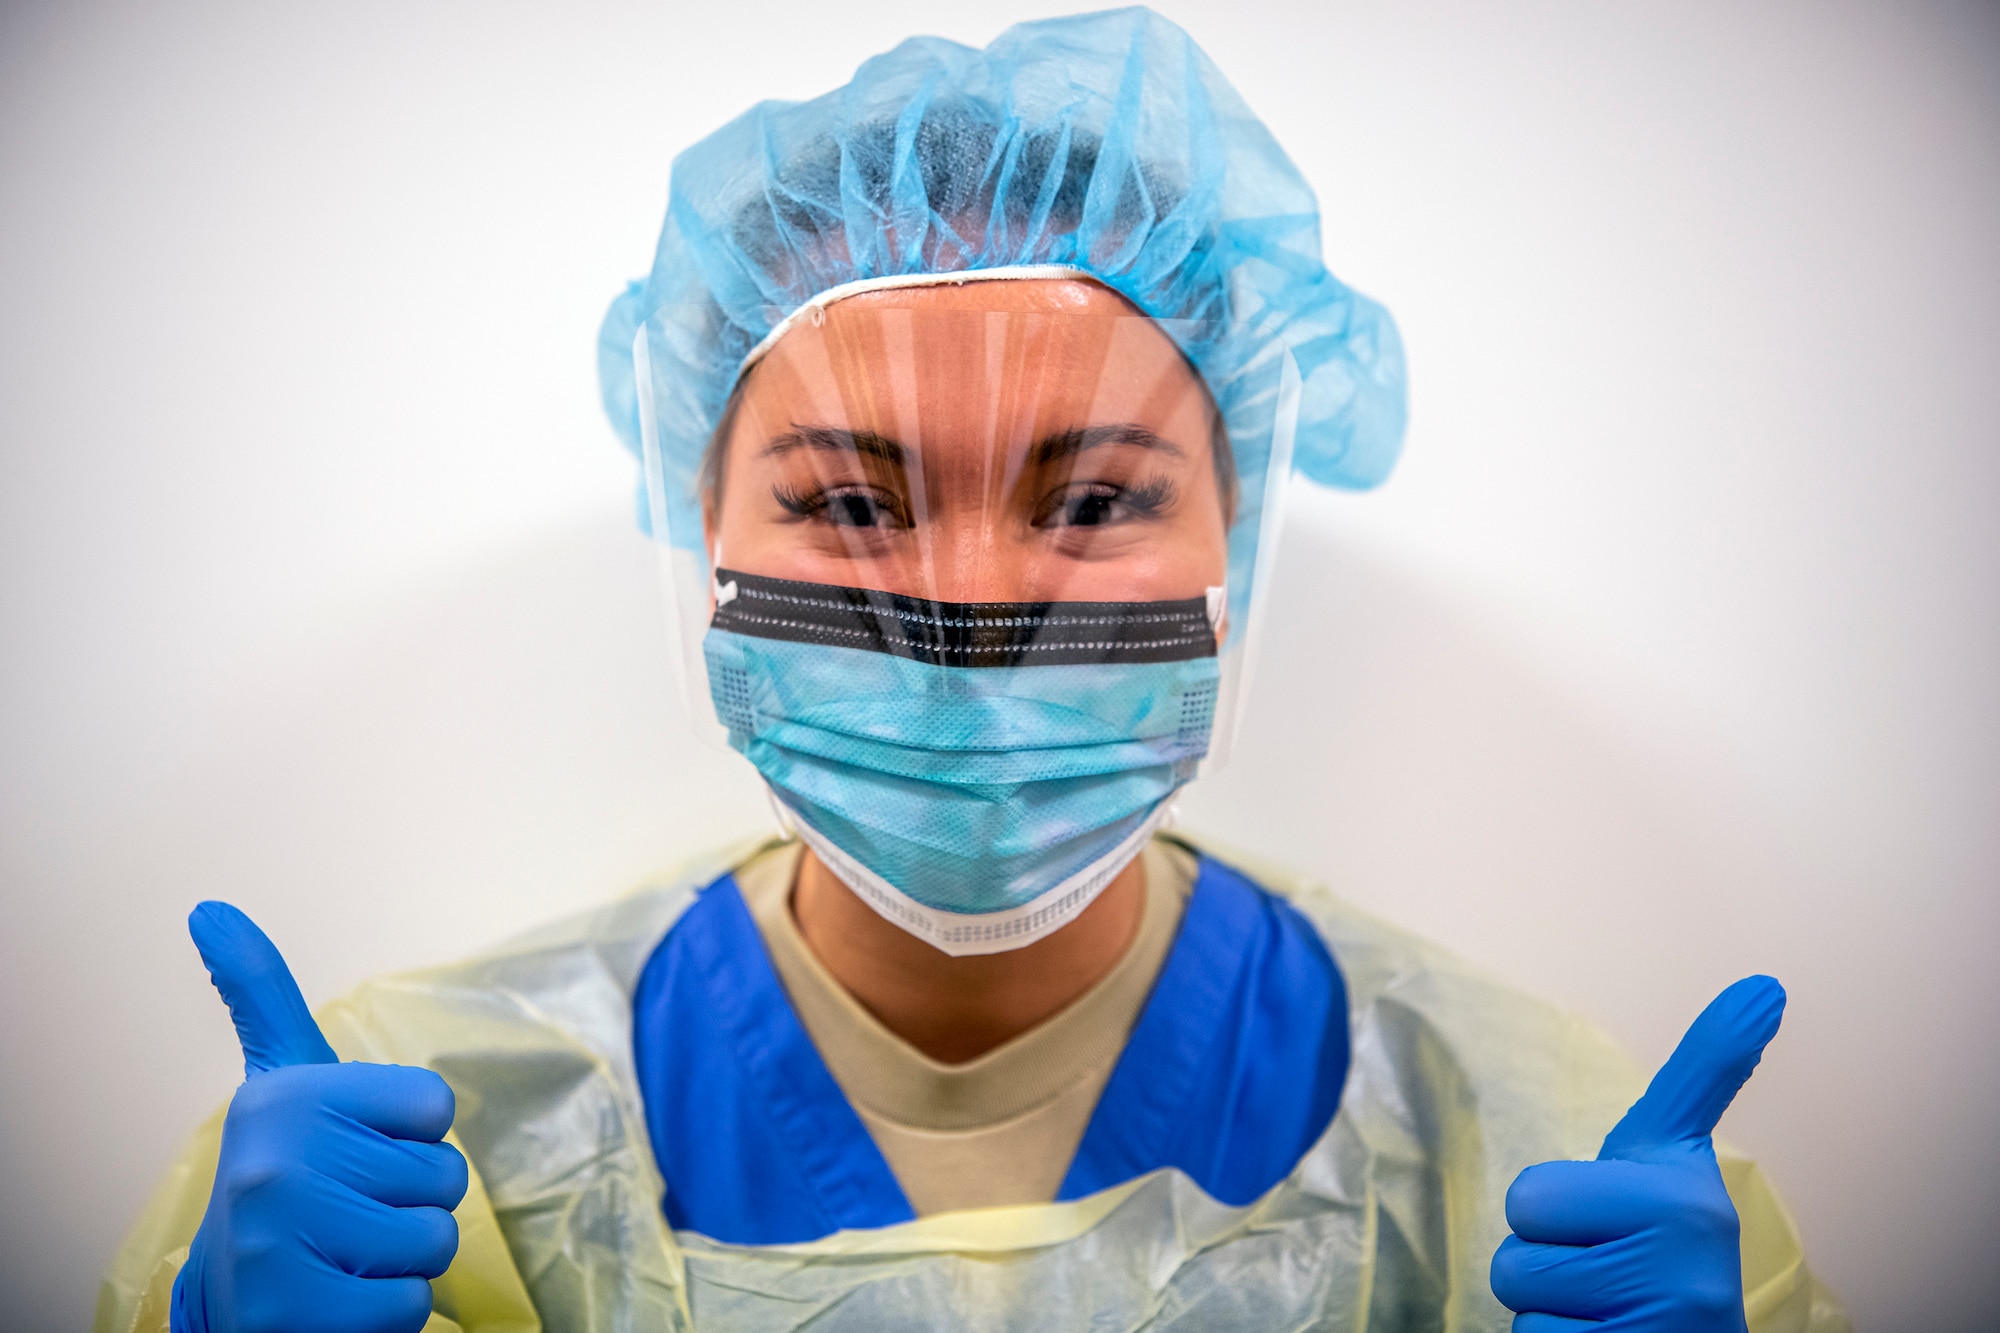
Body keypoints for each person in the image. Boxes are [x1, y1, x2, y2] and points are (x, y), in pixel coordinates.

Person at [99, 9, 1849, 1332]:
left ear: (1236, 543)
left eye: (1093, 497)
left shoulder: (1542, 1159)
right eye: (850, 502)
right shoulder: (403, 1150)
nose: (970, 610)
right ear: (700, 529)